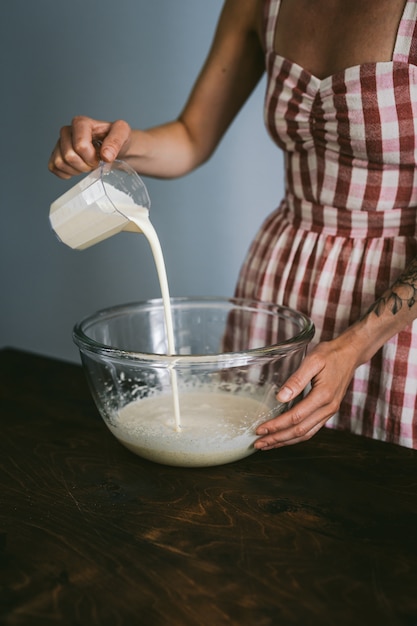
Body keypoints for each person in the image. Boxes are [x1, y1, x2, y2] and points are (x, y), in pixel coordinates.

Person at [49, 0, 417, 450]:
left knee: (378, 477)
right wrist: (115, 144)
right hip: (285, 272)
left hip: (396, 302)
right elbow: (191, 137)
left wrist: (357, 343)